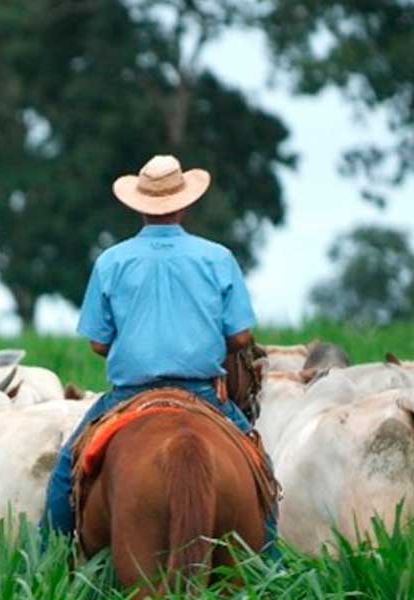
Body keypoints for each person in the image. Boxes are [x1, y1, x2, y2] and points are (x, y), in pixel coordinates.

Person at [41, 154, 277, 550]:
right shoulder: (218, 257)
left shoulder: (112, 261)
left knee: (65, 473)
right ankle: (273, 567)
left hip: (129, 395)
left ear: (138, 206)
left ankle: (46, 563)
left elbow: (98, 343)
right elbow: (240, 337)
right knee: (261, 469)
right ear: (184, 203)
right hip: (202, 394)